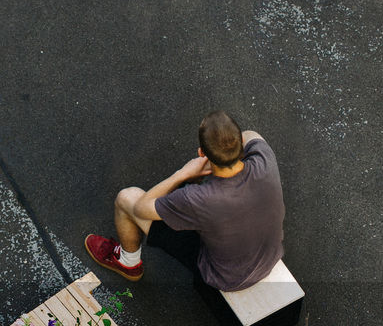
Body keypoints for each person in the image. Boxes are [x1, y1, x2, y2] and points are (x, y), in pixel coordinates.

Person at [84, 110, 284, 292]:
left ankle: (128, 263)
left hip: (227, 277)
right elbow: (253, 135)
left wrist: (183, 174)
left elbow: (141, 208)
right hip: (270, 256)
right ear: (240, 141)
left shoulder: (196, 199)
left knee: (125, 199)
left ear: (201, 154)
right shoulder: (263, 158)